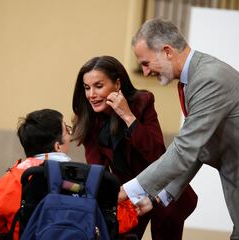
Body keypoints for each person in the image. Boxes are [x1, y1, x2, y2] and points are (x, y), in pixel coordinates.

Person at [119, 18, 239, 240]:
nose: (145, 73)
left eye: (146, 63)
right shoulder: (194, 80)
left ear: (167, 51)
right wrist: (156, 197)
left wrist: (129, 191)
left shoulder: (209, 78)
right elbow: (198, 148)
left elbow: (184, 150)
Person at [72, 55, 198, 240]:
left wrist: (128, 116)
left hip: (162, 190)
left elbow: (156, 153)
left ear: (117, 84)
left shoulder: (143, 101)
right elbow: (97, 170)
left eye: (99, 86)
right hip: (126, 196)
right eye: (87, 88)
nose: (91, 95)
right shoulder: (89, 118)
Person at [0, 109, 73, 239]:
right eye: (67, 130)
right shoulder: (78, 177)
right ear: (58, 147)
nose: (70, 135)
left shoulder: (13, 180)